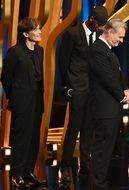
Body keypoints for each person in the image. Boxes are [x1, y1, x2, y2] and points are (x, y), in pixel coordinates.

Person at [58, 6, 108, 189]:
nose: (100, 28)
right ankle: (64, 166)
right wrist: (66, 86)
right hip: (76, 87)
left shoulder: (98, 36)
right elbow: (63, 61)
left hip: (92, 89)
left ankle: (85, 166)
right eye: (99, 24)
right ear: (91, 19)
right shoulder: (73, 34)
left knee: (88, 128)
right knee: (74, 127)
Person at [1, 17, 46, 189]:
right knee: (21, 139)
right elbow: (5, 77)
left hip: (36, 101)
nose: (39, 32)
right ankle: (16, 175)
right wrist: (16, 95)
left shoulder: (40, 51)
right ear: (26, 34)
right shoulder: (15, 52)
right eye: (35, 29)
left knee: (34, 139)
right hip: (22, 102)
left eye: (39, 28)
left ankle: (28, 172)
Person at [87, 19, 129, 190]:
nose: (120, 41)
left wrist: (126, 88)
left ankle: (101, 183)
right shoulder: (97, 50)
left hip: (110, 108)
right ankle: (98, 185)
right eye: (119, 37)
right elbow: (107, 78)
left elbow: (117, 74)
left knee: (106, 150)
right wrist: (122, 96)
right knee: (101, 150)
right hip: (104, 109)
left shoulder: (108, 51)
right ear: (110, 32)